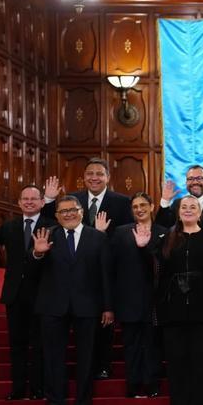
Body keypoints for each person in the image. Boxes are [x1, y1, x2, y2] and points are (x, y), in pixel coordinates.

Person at [134, 196, 203, 405]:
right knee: (176, 358)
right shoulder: (167, 237)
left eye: (192, 207)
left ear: (199, 212)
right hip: (173, 307)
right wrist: (143, 248)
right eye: (184, 207)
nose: (188, 210)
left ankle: (199, 403)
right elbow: (155, 266)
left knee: (201, 357)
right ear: (178, 212)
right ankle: (180, 404)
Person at [42, 158, 131, 381]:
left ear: (108, 177)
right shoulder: (73, 199)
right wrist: (49, 200)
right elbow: (51, 223)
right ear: (84, 177)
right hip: (75, 273)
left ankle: (103, 364)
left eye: (99, 174)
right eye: (90, 173)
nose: (94, 177)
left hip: (108, 269)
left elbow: (128, 235)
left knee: (105, 321)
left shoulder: (121, 202)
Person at [31, 195, 113, 405]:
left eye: (72, 210)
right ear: (56, 216)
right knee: (52, 358)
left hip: (87, 306)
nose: (68, 214)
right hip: (52, 306)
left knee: (86, 359)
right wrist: (38, 253)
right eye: (63, 211)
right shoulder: (46, 236)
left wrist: (108, 307)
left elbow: (105, 274)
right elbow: (31, 273)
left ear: (82, 211)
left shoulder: (98, 237)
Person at [0, 186, 52, 401]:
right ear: (19, 202)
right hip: (14, 295)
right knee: (17, 344)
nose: (30, 202)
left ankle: (37, 389)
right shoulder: (10, 226)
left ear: (42, 202)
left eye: (34, 198)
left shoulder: (51, 225)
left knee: (40, 345)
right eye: (25, 198)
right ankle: (17, 389)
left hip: (42, 294)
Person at [111, 192, 166, 398]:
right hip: (128, 300)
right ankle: (133, 384)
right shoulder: (121, 232)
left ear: (151, 207)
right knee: (131, 345)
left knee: (153, 345)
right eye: (135, 207)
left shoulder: (163, 232)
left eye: (143, 205)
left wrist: (145, 248)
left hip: (155, 301)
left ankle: (152, 384)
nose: (139, 209)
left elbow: (164, 264)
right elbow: (112, 267)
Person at [155, 165, 203, 231]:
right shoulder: (177, 204)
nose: (195, 182)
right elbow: (162, 228)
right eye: (190, 179)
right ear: (186, 183)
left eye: (200, 178)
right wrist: (165, 201)